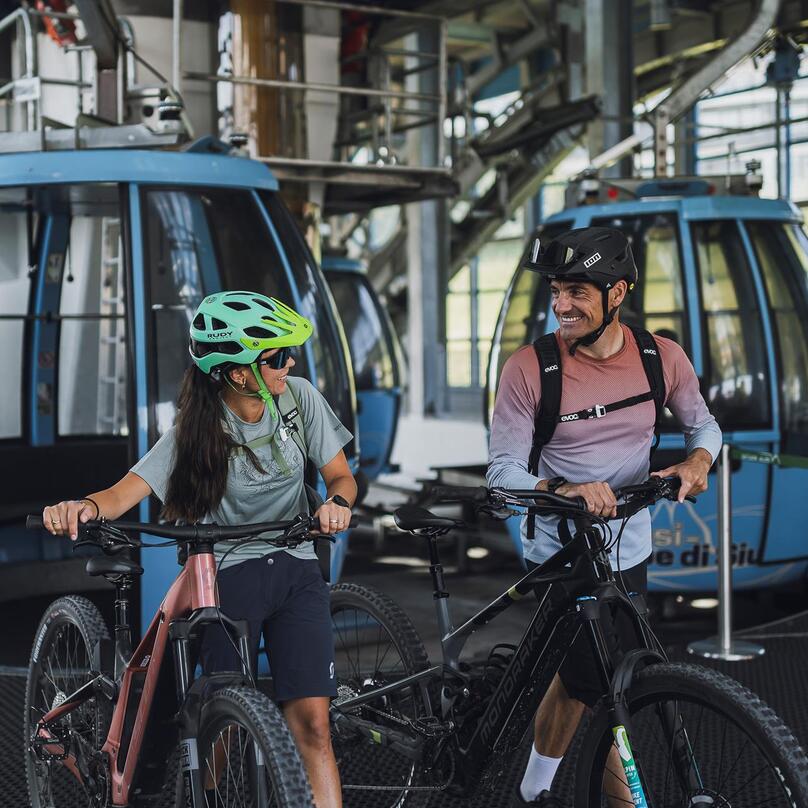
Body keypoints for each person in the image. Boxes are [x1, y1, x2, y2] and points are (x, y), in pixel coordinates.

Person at [42, 290, 356, 808]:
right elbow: (123, 494)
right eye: (277, 357)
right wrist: (80, 506)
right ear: (237, 373)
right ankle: (203, 796)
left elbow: (340, 475)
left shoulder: (298, 400)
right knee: (224, 722)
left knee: (314, 727)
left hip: (297, 568)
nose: (290, 364)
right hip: (228, 577)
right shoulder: (195, 431)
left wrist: (337, 502)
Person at [486, 227, 722, 807]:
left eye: (577, 292)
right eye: (556, 292)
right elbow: (502, 472)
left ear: (617, 292)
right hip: (561, 552)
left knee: (584, 681)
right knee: (604, 681)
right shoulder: (529, 368)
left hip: (629, 547)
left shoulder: (659, 358)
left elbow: (705, 426)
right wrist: (565, 487)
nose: (561, 306)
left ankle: (532, 790)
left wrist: (696, 461)